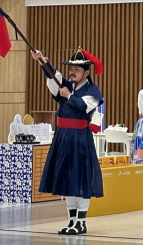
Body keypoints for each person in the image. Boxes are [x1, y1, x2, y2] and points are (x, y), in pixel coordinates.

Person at [31, 47, 104, 235]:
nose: (72, 72)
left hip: (80, 139)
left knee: (81, 178)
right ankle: (71, 221)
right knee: (68, 178)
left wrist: (69, 96)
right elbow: (53, 77)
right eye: (71, 68)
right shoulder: (67, 85)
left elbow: (82, 106)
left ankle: (81, 222)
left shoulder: (92, 91)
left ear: (86, 73)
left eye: (76, 69)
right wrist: (43, 61)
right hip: (63, 136)